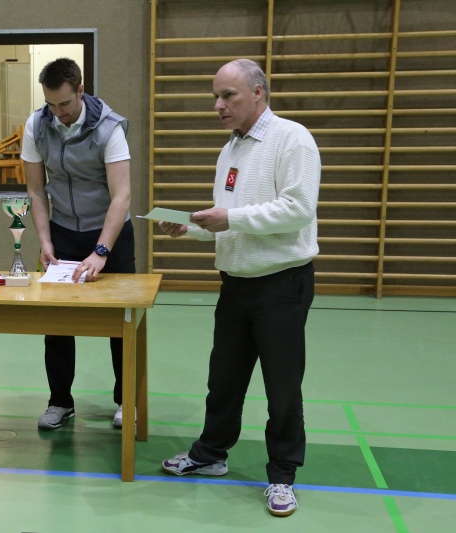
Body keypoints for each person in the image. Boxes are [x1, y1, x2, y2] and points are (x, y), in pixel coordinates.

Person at [158, 59, 320, 517]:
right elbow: (230, 221)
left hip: (281, 286)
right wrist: (190, 228)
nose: (218, 105)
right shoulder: (230, 149)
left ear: (257, 93)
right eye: (216, 96)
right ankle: (211, 454)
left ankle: (282, 475)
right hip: (235, 284)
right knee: (224, 379)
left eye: (227, 95)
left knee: (282, 388)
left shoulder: (292, 139)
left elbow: (298, 209)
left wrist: (228, 217)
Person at [21, 57, 135, 430]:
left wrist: (101, 251)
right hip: (64, 231)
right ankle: (60, 401)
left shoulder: (109, 128)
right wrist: (44, 240)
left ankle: (127, 400)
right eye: (51, 104)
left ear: (81, 90)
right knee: (56, 321)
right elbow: (36, 190)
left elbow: (122, 196)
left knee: (121, 322)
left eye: (65, 104)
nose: (59, 112)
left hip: (111, 233)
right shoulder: (36, 126)